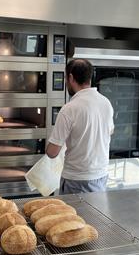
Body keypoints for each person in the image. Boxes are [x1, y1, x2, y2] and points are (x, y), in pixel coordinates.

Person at [46, 58, 114, 194]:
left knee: (74, 215)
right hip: (101, 176)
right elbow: (110, 131)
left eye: (66, 78)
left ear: (70, 78)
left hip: (76, 180)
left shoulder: (69, 109)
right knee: (94, 214)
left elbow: (52, 152)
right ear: (90, 77)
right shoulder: (105, 102)